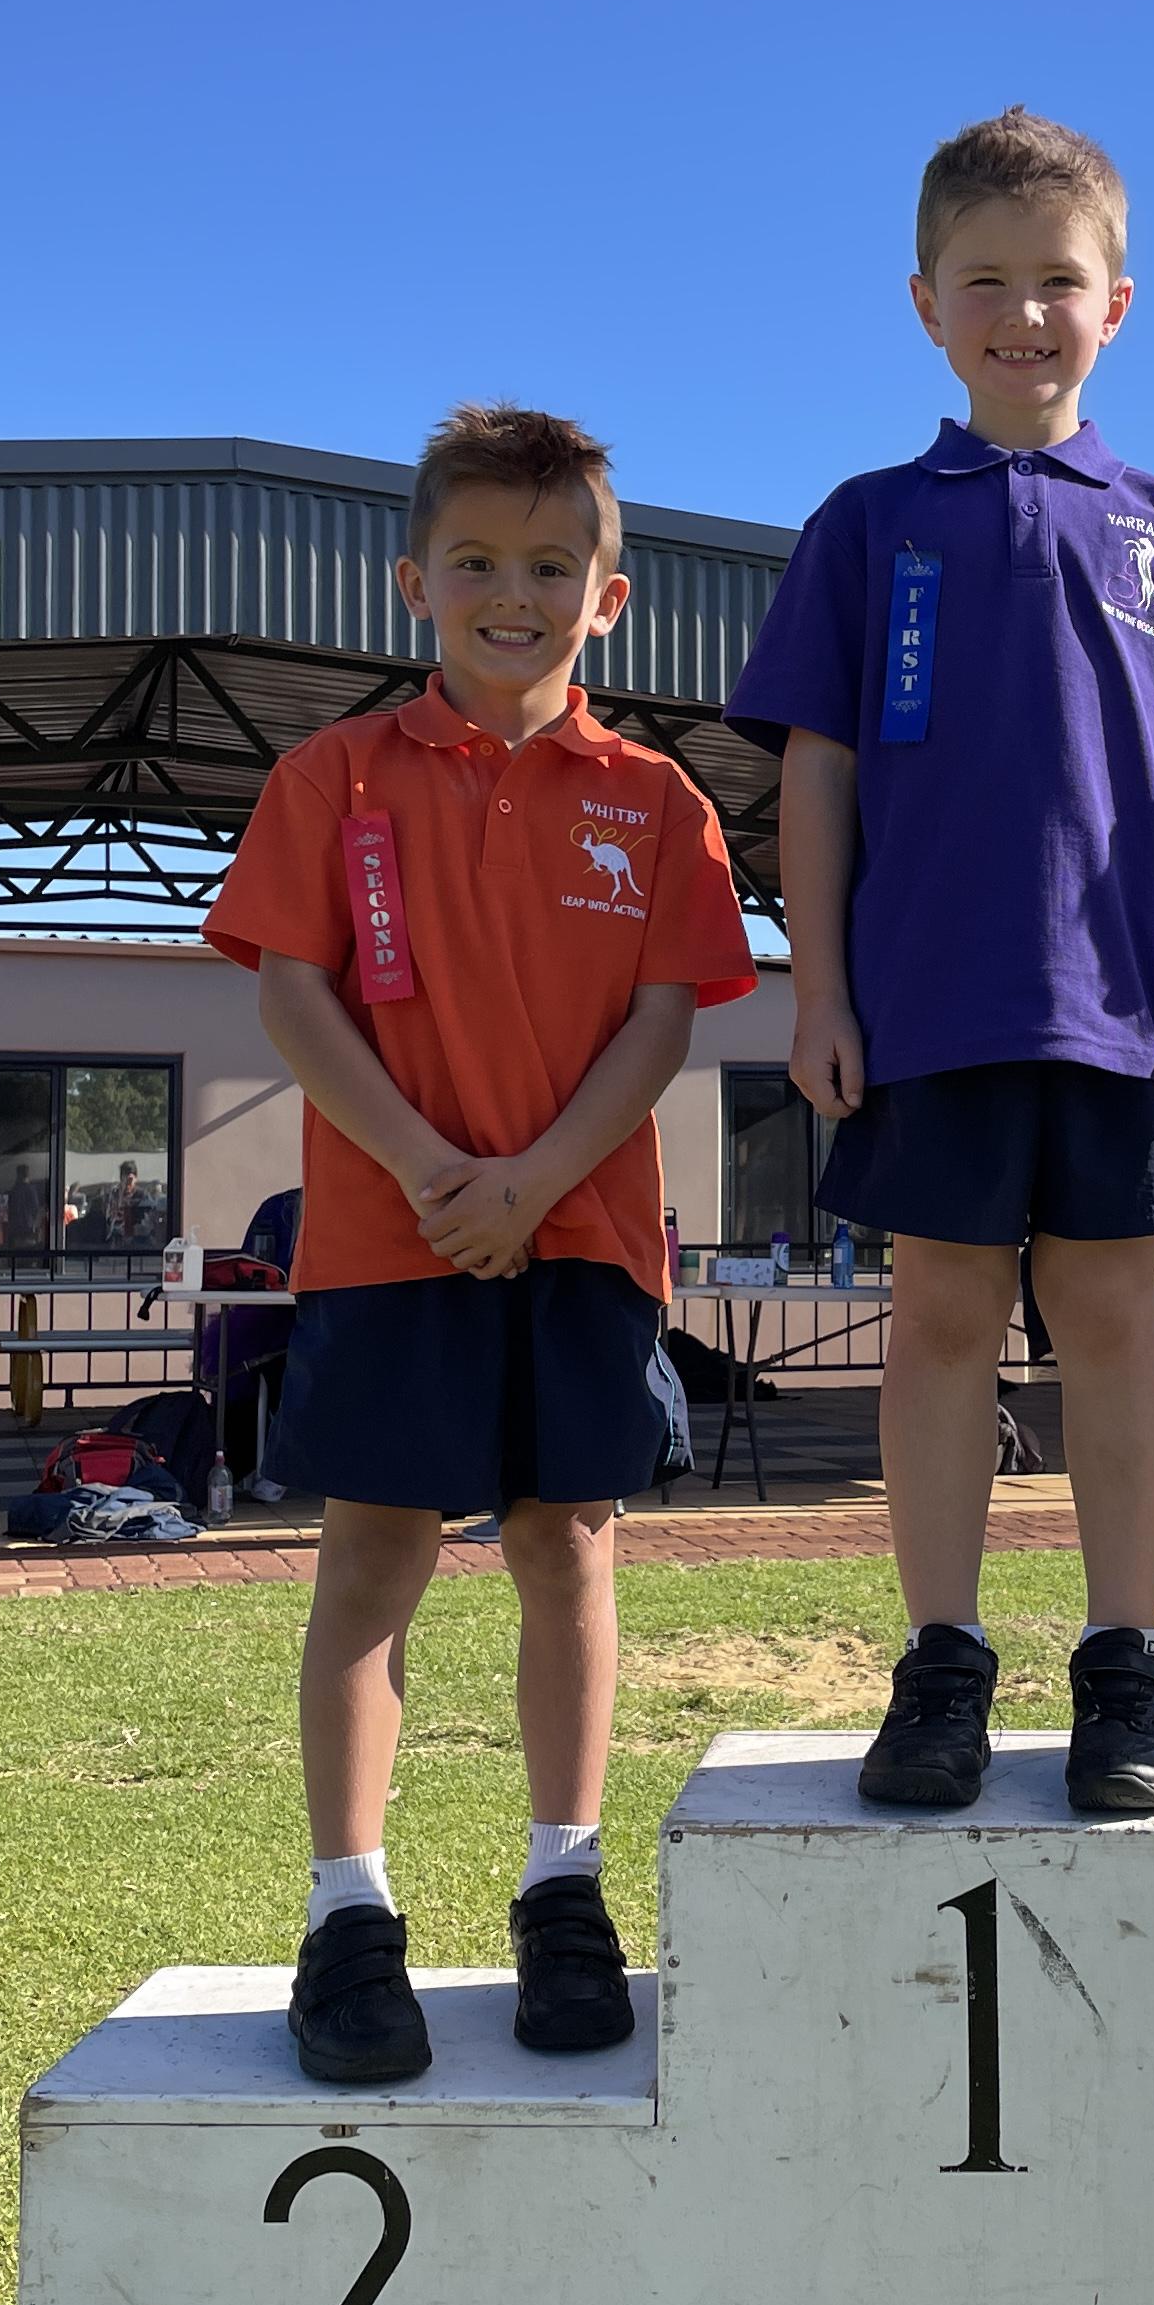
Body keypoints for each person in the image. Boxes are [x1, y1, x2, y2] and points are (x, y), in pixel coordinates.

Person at [727, 107, 1154, 1816]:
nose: (1023, 313)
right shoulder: (866, 524)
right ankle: (942, 1662)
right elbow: (814, 776)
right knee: (943, 1319)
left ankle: (1127, 1665)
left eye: (1058, 280)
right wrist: (820, 991)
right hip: (928, 1004)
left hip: (1123, 1015)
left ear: (1116, 303)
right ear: (926, 305)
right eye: (985, 280)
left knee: (1115, 1316)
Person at [206, 402, 757, 2085]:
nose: (512, 595)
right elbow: (294, 995)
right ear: (415, 582)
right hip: (392, 1239)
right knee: (373, 1556)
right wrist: (435, 1168)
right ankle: (348, 1912)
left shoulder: (657, 802)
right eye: (476, 563)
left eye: (548, 567)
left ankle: (562, 1888)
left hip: (583, 1237)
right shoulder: (332, 779)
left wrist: (532, 1183)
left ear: (608, 597)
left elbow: (663, 1026)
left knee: (565, 1545)